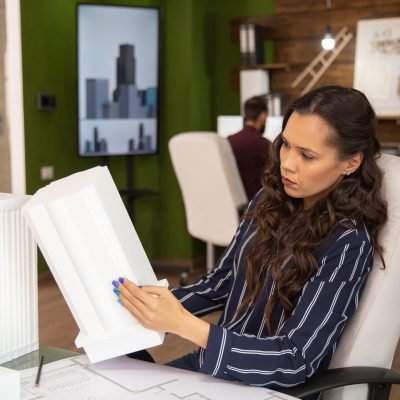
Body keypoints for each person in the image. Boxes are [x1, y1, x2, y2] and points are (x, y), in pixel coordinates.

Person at [111, 86, 387, 396]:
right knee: (113, 373)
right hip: (215, 372)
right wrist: (146, 303)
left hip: (266, 389)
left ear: (351, 162)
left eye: (307, 155)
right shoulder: (267, 202)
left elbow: (295, 359)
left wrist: (185, 326)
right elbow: (221, 282)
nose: (288, 164)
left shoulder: (347, 242)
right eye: (286, 145)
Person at [228, 95, 271, 200]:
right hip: (257, 206)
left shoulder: (228, 141)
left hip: (233, 204)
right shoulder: (264, 144)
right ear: (262, 116)